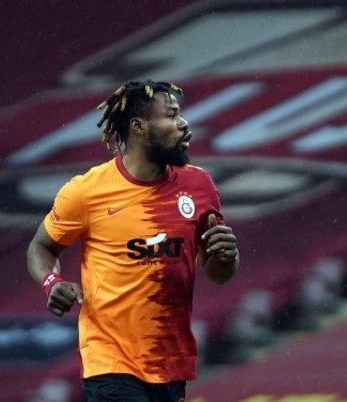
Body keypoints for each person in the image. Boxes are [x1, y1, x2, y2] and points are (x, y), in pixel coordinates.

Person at [26, 79, 240, 402]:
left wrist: (226, 256)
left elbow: (219, 274)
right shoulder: (86, 192)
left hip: (170, 361)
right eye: (171, 116)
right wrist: (51, 281)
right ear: (138, 127)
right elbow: (41, 246)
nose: (184, 124)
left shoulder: (199, 185)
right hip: (109, 361)